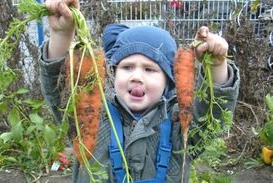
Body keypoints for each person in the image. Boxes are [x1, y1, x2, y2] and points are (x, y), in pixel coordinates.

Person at [40, 0, 240, 182]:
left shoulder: (180, 127)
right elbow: (59, 91)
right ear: (113, 74)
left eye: (149, 69)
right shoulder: (91, 116)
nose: (136, 76)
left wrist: (216, 67)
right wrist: (62, 34)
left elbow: (214, 115)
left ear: (168, 82)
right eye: (127, 67)